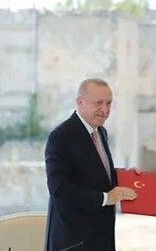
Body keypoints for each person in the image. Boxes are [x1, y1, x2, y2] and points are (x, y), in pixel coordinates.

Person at [44, 78, 137, 251]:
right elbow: (59, 188)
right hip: (73, 240)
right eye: (99, 103)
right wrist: (106, 198)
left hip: (101, 237)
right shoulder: (61, 137)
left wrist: (124, 176)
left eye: (109, 103)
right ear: (80, 102)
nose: (105, 110)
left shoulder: (101, 132)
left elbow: (94, 172)